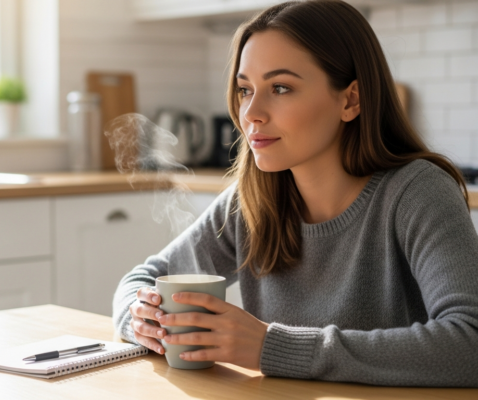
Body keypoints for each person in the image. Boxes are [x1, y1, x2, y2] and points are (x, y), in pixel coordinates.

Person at [112, 0, 478, 387]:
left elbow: (471, 342)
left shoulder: (416, 193)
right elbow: (143, 279)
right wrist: (143, 320)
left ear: (350, 100)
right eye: (244, 89)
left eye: (281, 88)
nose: (251, 112)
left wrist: (270, 347)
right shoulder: (250, 202)